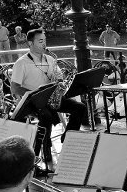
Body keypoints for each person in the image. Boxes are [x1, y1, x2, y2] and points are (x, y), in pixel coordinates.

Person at [11, 29, 88, 163]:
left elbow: (58, 77)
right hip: (34, 101)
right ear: (30, 43)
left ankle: (68, 138)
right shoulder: (21, 63)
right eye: (40, 41)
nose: (44, 44)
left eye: (45, 41)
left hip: (52, 98)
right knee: (46, 116)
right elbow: (14, 87)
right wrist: (35, 94)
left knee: (80, 107)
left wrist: (60, 82)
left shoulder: (51, 59)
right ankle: (43, 151)